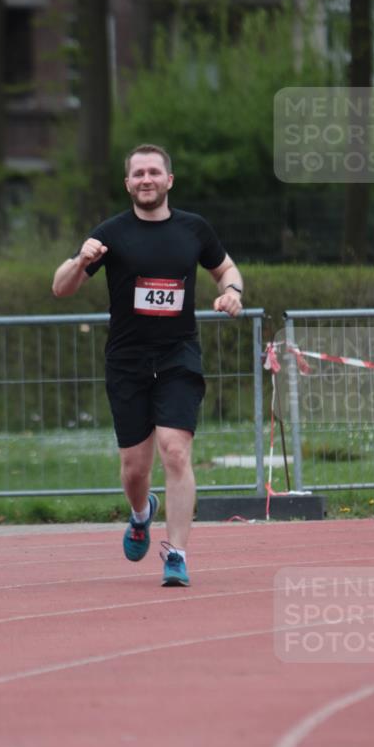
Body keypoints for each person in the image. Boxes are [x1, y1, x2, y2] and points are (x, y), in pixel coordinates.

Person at [52, 144, 244, 587]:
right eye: (137, 173)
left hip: (178, 355)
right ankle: (141, 514)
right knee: (134, 468)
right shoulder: (111, 234)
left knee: (175, 451)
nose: (146, 179)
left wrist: (233, 291)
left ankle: (176, 554)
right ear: (127, 184)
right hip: (127, 360)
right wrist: (81, 260)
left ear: (169, 180)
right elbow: (61, 288)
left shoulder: (194, 229)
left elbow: (226, 269)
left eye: (154, 172)